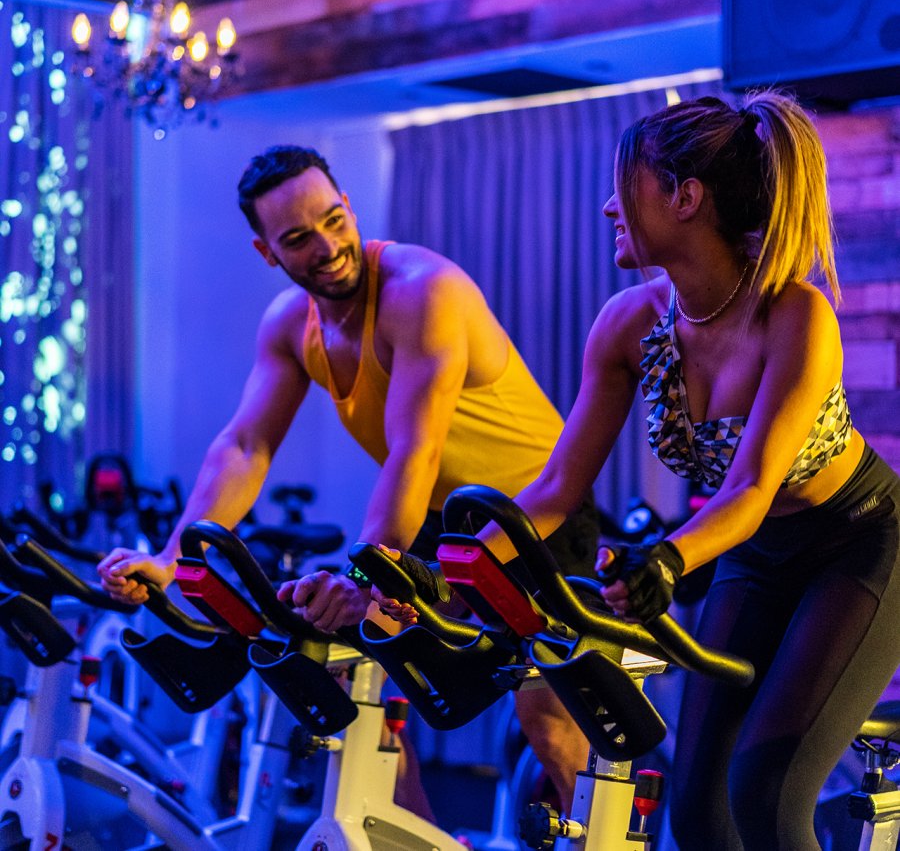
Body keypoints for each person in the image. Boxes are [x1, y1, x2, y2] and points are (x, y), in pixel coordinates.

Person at [382, 91, 900, 849]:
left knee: (766, 792)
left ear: (686, 198)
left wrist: (667, 556)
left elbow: (751, 487)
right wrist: (453, 571)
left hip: (859, 545)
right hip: (753, 556)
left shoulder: (795, 315)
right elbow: (557, 488)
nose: (605, 208)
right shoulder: (629, 326)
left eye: (625, 188)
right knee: (696, 812)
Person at [97, 145, 599, 814]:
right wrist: (170, 559)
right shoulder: (289, 326)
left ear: (350, 209)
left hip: (537, 521)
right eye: (300, 238)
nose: (330, 246)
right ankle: (410, 835)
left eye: (335, 220)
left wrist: (362, 580)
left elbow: (413, 453)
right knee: (341, 670)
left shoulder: (424, 291)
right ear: (267, 251)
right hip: (441, 528)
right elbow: (245, 445)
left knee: (548, 725)